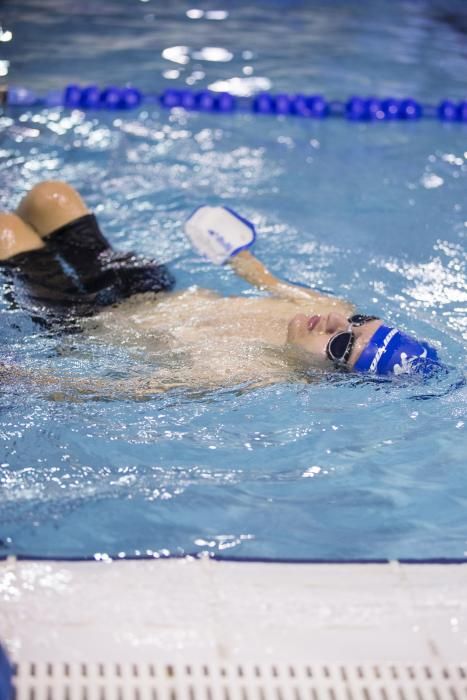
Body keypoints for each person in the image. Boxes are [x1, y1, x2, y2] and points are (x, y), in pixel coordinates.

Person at [0, 181, 440, 395]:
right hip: (149, 288)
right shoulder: (331, 306)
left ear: (333, 378)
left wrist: (24, 378)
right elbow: (263, 279)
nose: (333, 321)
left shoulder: (245, 375)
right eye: (358, 321)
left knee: (5, 232)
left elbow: (126, 390)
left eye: (343, 343)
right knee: (50, 197)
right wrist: (232, 249)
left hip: (86, 319)